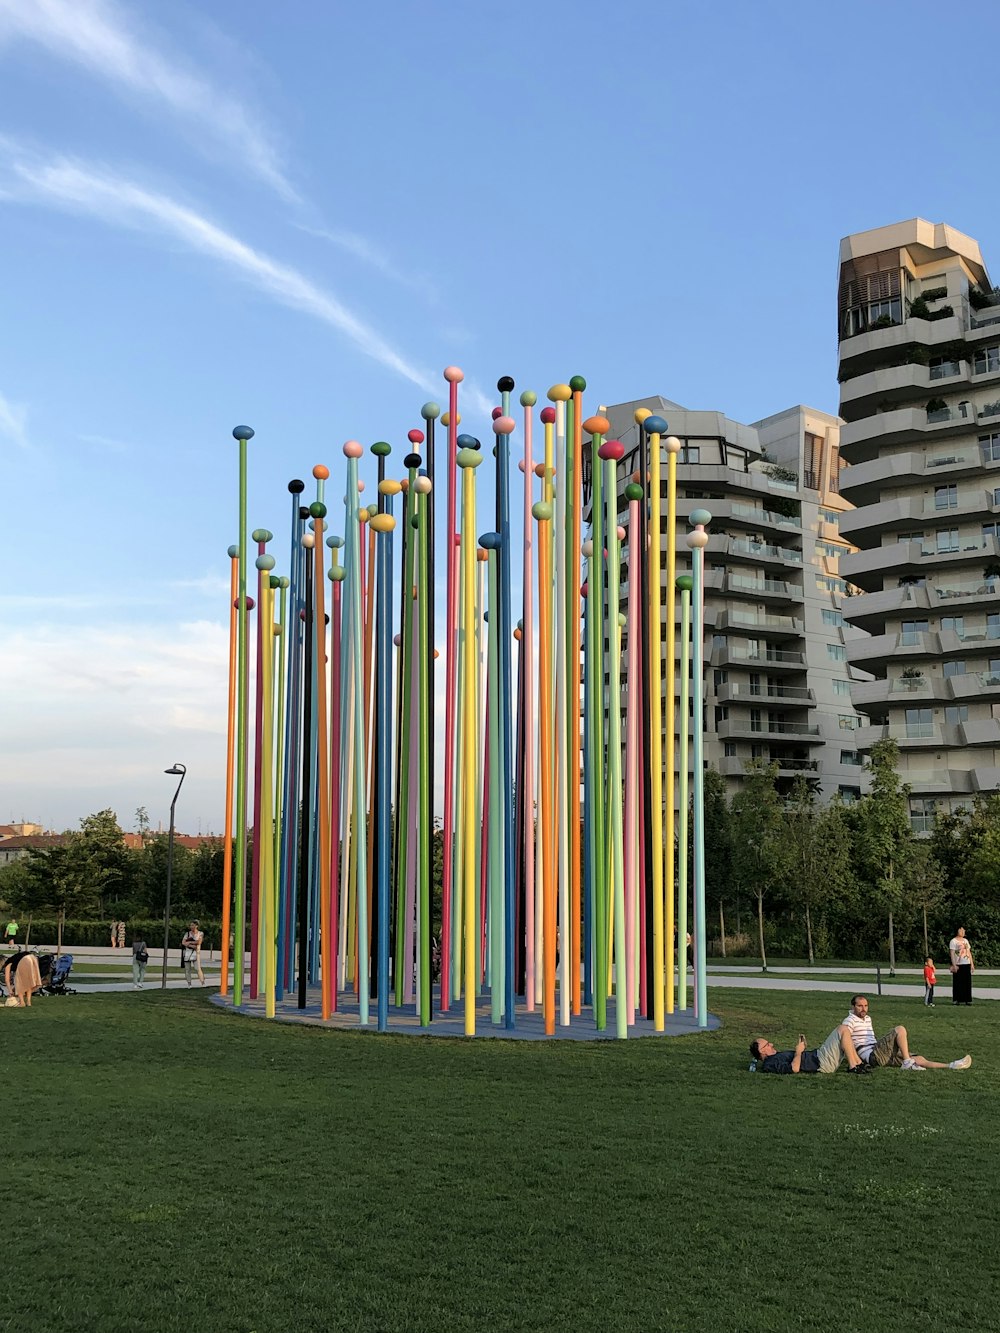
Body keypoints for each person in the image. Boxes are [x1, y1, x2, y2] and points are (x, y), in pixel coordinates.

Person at [842, 994, 971, 1071]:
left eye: (866, 1006)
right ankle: (907, 1062)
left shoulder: (867, 1018)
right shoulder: (849, 1021)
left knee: (918, 1059)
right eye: (860, 1006)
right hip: (872, 1055)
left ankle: (951, 1065)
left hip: (879, 1055)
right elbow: (845, 1041)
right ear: (853, 1007)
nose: (864, 1009)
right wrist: (857, 1061)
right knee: (900, 1029)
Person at [749, 1023, 872, 1075]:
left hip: (818, 1056)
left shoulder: (773, 1058)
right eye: (767, 1045)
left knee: (844, 1030)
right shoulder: (770, 1064)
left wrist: (802, 1047)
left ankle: (858, 1064)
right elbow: (794, 1069)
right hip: (821, 1062)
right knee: (842, 1029)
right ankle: (853, 1067)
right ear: (762, 1051)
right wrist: (798, 1052)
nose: (771, 1044)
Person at [949, 927, 974, 1005]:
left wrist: (972, 964)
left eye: (964, 930)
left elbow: (968, 952)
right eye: (961, 930)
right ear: (957, 931)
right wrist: (954, 965)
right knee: (958, 982)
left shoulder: (965, 941)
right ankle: (956, 999)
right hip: (958, 964)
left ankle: (967, 999)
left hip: (966, 963)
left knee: (967, 982)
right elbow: (952, 953)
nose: (963, 932)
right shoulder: (953, 941)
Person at [181, 920, 204, 986]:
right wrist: (190, 945)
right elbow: (183, 942)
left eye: (193, 925)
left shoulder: (200, 933)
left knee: (198, 968)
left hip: (196, 953)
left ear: (196, 926)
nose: (191, 927)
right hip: (187, 953)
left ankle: (202, 982)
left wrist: (190, 942)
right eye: (191, 925)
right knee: (187, 969)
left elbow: (199, 942)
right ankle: (189, 983)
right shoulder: (187, 934)